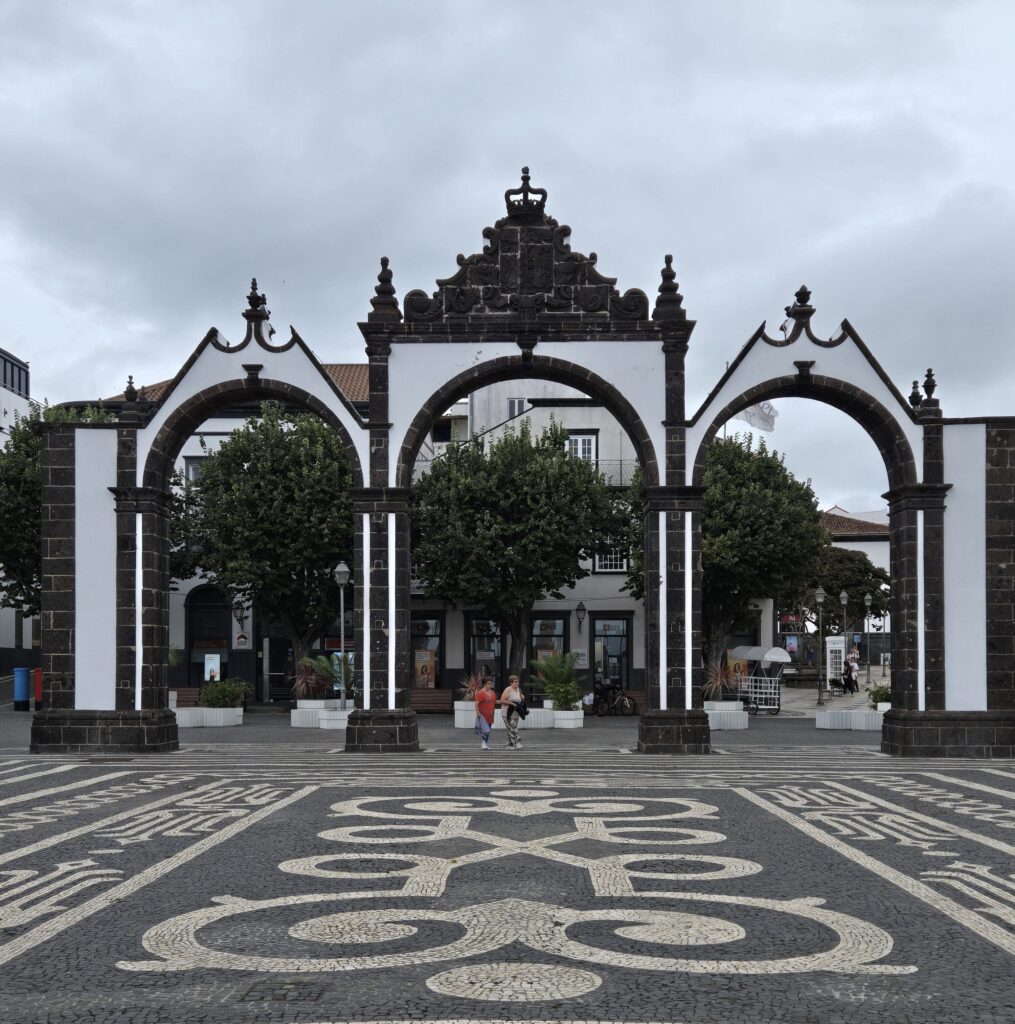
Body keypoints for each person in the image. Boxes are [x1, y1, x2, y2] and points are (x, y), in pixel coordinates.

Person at [500, 674, 524, 749]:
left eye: (518, 681)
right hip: (507, 712)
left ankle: (510, 743)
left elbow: (521, 698)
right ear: (511, 683)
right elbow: (502, 700)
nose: (517, 683)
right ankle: (516, 742)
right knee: (511, 727)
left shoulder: (519, 689)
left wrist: (522, 697)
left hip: (516, 712)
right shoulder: (508, 689)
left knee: (512, 727)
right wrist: (512, 703)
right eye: (515, 681)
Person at [474, 674, 497, 751]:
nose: (490, 685)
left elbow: (495, 701)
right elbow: (476, 703)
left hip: (490, 714)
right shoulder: (481, 693)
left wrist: (505, 701)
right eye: (488, 683)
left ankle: (485, 744)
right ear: (484, 684)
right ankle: (483, 743)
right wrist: (478, 713)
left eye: (491, 683)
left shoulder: (493, 693)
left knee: (488, 729)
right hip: (483, 714)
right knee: (486, 730)